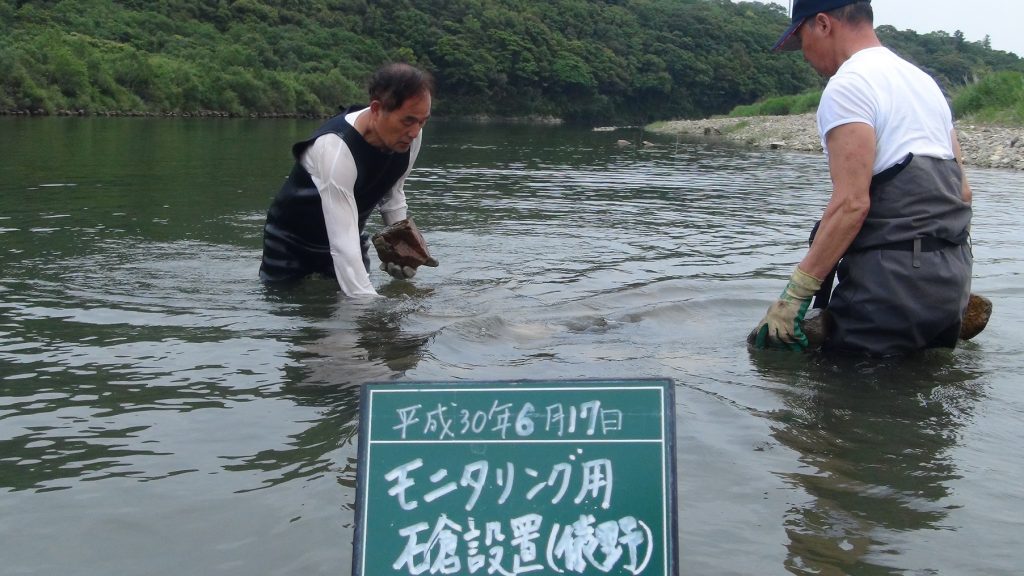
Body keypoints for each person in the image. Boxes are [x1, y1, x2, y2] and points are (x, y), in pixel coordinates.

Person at [754, 0, 973, 356]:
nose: (804, 55)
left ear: (823, 24)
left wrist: (793, 297)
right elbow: (962, 192)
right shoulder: (924, 84)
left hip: (890, 291)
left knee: (842, 403)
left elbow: (852, 204)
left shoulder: (849, 86)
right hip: (951, 283)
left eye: (801, 40)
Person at [259, 62, 435, 297]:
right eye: (408, 120)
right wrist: (372, 310)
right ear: (376, 109)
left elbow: (393, 196)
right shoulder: (334, 149)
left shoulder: (412, 136)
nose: (415, 132)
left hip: (351, 234)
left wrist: (401, 248)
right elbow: (342, 245)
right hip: (290, 247)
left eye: (422, 121)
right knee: (295, 314)